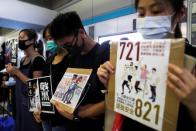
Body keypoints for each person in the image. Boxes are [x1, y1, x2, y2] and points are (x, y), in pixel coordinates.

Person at [97, 0, 196, 130]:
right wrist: (110, 80)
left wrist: (193, 102)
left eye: (156, 11)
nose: (148, 20)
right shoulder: (128, 55)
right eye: (141, 14)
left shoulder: (192, 59)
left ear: (180, 13)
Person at [50, 11, 109, 131]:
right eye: (63, 47)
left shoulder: (104, 54)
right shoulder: (71, 57)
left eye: (69, 44)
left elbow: (114, 100)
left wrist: (84, 112)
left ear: (81, 32)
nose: (67, 49)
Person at [6, 29, 44, 131]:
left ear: (31, 41)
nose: (19, 40)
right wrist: (13, 73)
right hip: (20, 100)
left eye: (22, 37)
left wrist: (17, 72)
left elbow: (36, 85)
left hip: (31, 104)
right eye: (19, 37)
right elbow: (21, 78)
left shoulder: (38, 59)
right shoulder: (23, 59)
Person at [34, 25, 68, 131]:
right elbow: (43, 84)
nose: (49, 41)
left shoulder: (70, 59)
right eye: (47, 39)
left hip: (61, 117)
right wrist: (37, 107)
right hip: (46, 112)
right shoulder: (49, 59)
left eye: (52, 37)